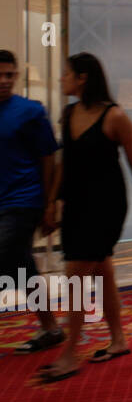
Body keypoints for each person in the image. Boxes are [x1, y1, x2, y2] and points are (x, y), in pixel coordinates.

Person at [40, 54, 132, 381]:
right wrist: (51, 201)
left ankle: (70, 352)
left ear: (82, 78)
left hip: (106, 206)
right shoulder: (68, 114)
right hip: (77, 205)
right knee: (102, 270)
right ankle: (118, 339)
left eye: (65, 74)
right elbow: (66, 163)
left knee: (76, 276)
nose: (61, 80)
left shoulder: (115, 116)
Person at [0, 50, 63, 353]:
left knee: (9, 251)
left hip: (23, 199)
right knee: (21, 263)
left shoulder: (30, 111)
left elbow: (48, 157)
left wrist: (49, 203)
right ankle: (49, 326)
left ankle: (50, 326)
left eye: (9, 75)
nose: (4, 81)